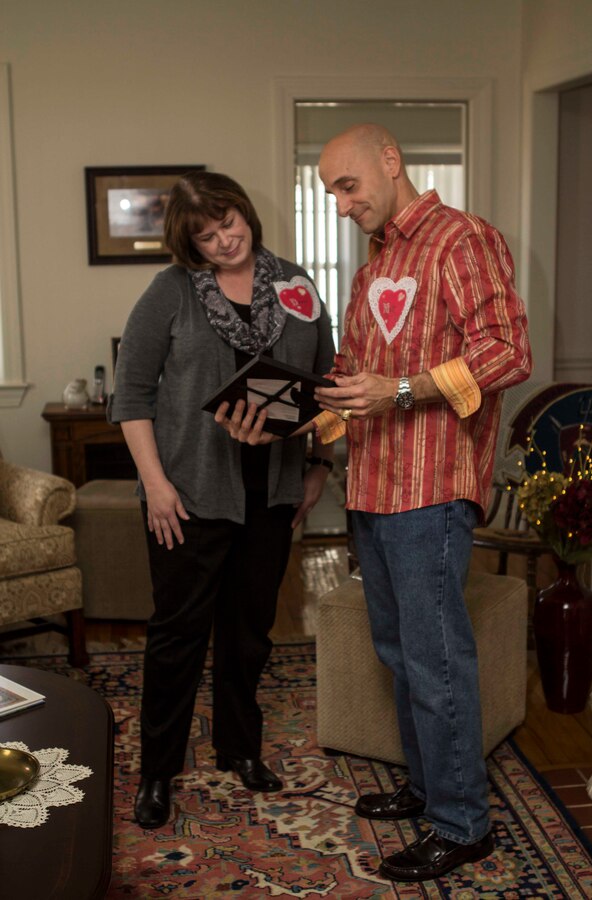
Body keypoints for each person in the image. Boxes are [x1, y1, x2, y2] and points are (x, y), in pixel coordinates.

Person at [311, 124, 532, 883]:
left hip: (431, 489)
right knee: (400, 654)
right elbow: (357, 377)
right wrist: (311, 413)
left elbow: (508, 352)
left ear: (391, 161)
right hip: (371, 485)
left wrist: (398, 390)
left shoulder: (461, 240)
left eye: (347, 185)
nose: (341, 205)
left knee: (437, 662)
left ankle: (463, 823)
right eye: (330, 193)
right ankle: (430, 786)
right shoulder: (375, 267)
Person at [108, 171, 335, 829]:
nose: (223, 240)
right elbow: (131, 396)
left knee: (248, 635)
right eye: (205, 236)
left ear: (244, 211)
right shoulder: (170, 292)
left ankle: (241, 750)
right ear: (189, 245)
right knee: (177, 636)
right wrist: (154, 484)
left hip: (271, 492)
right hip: (187, 494)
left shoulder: (296, 284)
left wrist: (319, 461)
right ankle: (158, 770)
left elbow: (326, 383)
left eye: (228, 222)